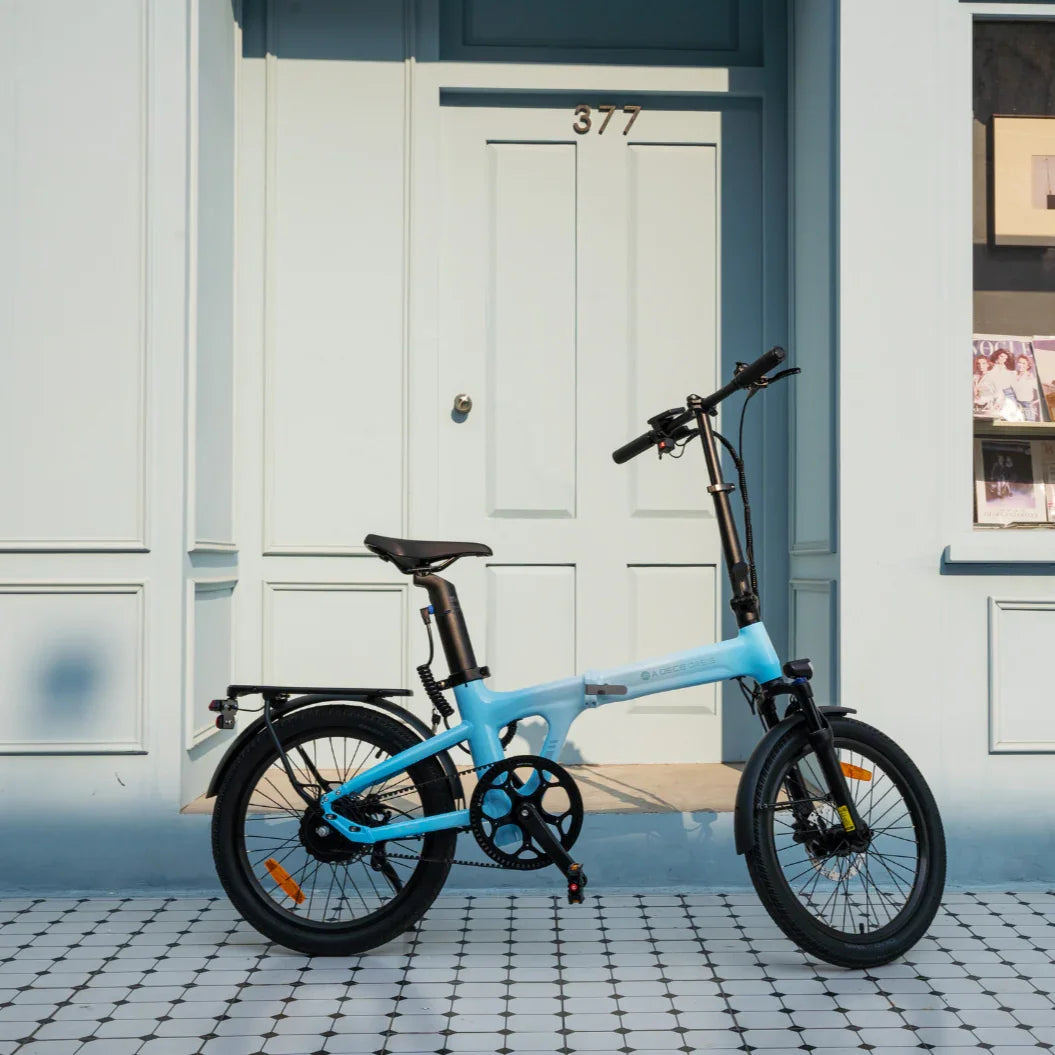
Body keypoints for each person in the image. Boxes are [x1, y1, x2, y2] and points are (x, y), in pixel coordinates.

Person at [1011, 353, 1041, 422]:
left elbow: (1042, 394)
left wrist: (1033, 403)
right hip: (1015, 406)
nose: (1021, 365)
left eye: (1024, 363)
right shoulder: (1013, 375)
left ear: (1028, 366)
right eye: (1019, 362)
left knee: (1029, 426)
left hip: (1027, 406)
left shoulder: (1030, 377)